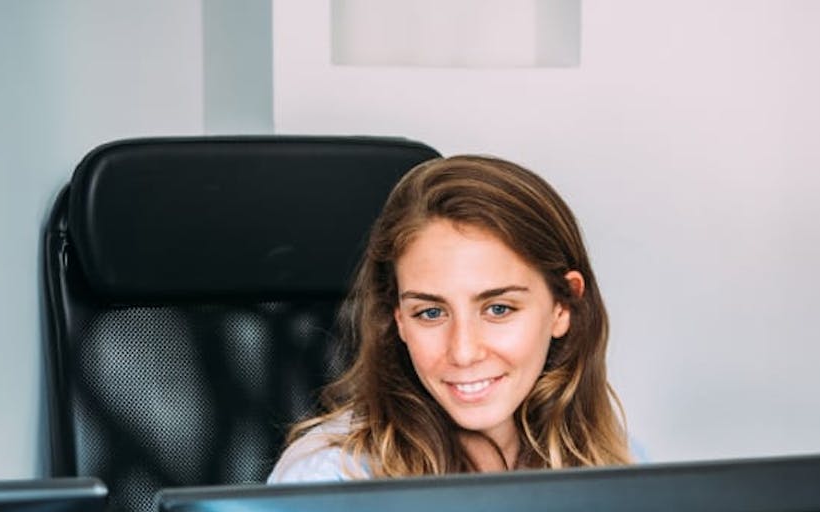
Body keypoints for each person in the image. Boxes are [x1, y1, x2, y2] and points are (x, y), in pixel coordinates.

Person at [267, 154, 632, 482]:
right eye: (431, 313)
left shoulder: (609, 459)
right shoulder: (329, 480)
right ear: (399, 320)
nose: (463, 351)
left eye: (498, 309)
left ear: (563, 306)